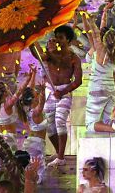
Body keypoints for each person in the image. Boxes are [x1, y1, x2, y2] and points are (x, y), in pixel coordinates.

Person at [34, 25, 83, 169]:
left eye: (61, 38)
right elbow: (37, 54)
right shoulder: (49, 54)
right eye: (56, 38)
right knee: (50, 127)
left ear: (68, 40)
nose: (58, 41)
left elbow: (78, 81)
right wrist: (31, 39)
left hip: (64, 92)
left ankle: (61, 157)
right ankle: (58, 154)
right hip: (50, 91)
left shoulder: (74, 58)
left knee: (60, 121)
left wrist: (62, 92)